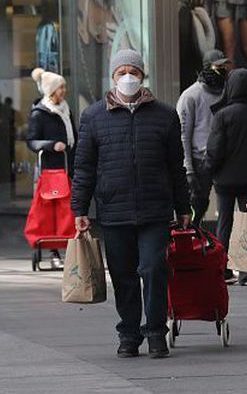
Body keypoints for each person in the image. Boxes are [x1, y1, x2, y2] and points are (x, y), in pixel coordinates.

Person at [72, 49, 191, 359]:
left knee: (153, 269)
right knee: (123, 275)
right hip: (113, 211)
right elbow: (84, 167)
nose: (128, 77)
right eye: (121, 72)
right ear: (112, 77)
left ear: (142, 76)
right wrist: (79, 210)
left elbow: (176, 166)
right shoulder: (94, 116)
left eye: (133, 72)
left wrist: (184, 207)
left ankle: (155, 332)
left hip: (155, 210)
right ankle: (129, 333)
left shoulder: (164, 115)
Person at [205, 68, 247, 285]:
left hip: (224, 179)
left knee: (225, 222)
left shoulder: (222, 115)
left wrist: (210, 170)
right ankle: (244, 271)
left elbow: (215, 148)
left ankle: (223, 270)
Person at [26, 71, 77, 268]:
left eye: (64, 87)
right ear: (51, 90)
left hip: (67, 167)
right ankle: (53, 251)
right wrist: (50, 145)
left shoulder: (66, 110)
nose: (63, 91)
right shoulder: (40, 113)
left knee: (67, 211)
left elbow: (74, 137)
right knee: (51, 212)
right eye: (60, 88)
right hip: (50, 170)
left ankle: (69, 248)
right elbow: (31, 141)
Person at [176, 49, 230, 227]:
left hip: (223, 160)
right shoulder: (190, 96)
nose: (222, 70)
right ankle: (189, 240)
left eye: (224, 66)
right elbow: (183, 135)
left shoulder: (227, 93)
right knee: (197, 207)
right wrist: (189, 169)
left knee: (226, 210)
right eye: (218, 66)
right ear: (207, 67)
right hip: (200, 161)